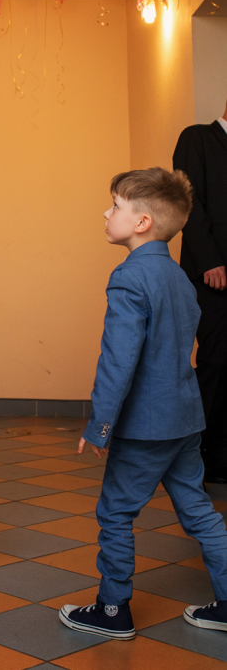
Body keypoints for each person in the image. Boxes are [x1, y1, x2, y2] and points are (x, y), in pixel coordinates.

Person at [60, 168, 227, 639]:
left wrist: (100, 425)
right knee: (197, 510)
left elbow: (120, 360)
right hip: (186, 419)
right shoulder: (177, 278)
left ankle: (113, 610)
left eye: (115, 206)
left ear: (142, 223)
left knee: (115, 513)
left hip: (146, 427)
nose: (106, 212)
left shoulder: (129, 278)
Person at [174, 111, 227, 484]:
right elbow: (188, 206)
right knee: (216, 362)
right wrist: (210, 261)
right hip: (214, 277)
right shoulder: (197, 138)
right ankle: (200, 455)